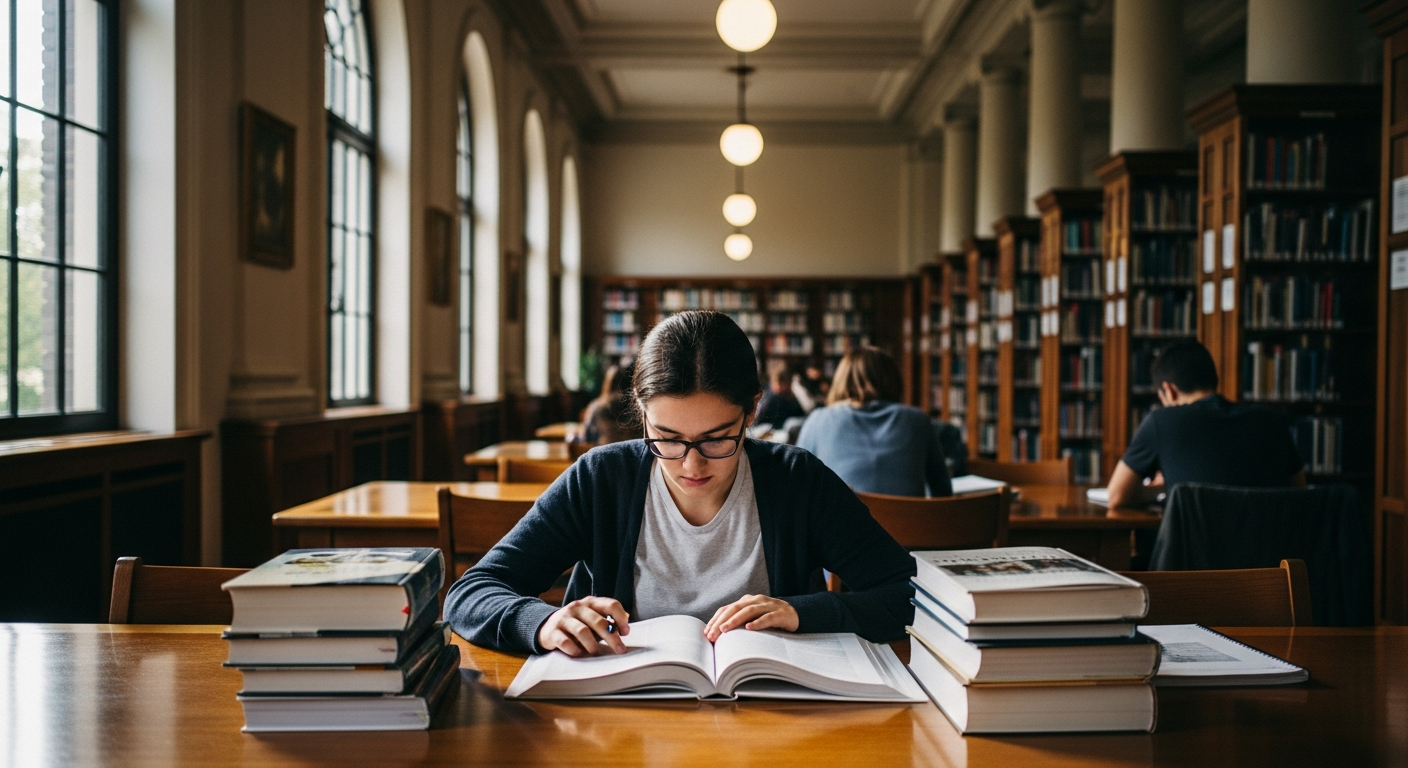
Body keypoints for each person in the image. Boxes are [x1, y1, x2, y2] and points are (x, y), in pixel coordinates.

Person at [444, 311, 916, 657]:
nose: (691, 464)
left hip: (776, 719)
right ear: (640, 410)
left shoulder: (798, 481)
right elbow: (470, 593)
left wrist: (804, 613)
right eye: (666, 438)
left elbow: (909, 595)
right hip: (614, 727)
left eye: (716, 439)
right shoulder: (601, 478)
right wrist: (543, 622)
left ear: (751, 411)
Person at [1105, 340, 1305, 508]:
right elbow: (1300, 494)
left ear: (1168, 390)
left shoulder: (1162, 421)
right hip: (1272, 552)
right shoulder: (1271, 421)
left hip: (1196, 554)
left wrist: (1158, 489)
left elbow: (1116, 497)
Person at [796, 346, 953, 498]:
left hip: (842, 523)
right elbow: (943, 493)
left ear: (841, 380)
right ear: (893, 379)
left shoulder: (819, 420)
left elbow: (796, 487)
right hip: (907, 524)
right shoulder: (918, 420)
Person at [572, 364, 643, 445]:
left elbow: (587, 437)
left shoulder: (596, 407)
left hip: (601, 452)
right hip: (632, 454)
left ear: (607, 383)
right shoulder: (637, 408)